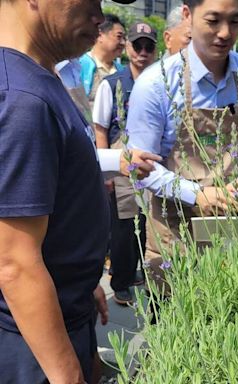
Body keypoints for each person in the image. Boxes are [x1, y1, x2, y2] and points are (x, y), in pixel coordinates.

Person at [0, 0, 156, 383]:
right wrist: (67, 373)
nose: (99, 16)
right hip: (30, 342)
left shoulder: (40, 75)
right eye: (88, 1)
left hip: (62, 311)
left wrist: (80, 285)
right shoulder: (22, 97)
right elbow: (14, 262)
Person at [126, 0, 238, 264]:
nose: (226, 32)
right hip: (174, 230)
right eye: (213, 20)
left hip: (231, 226)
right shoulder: (155, 83)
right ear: (188, 16)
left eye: (234, 21)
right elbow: (140, 166)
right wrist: (196, 194)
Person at [93, 22, 158, 305]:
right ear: (128, 47)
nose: (142, 52)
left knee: (146, 223)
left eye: (149, 46)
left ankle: (135, 273)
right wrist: (106, 169)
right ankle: (120, 281)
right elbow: (100, 128)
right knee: (123, 223)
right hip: (121, 157)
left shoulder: (159, 82)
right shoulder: (112, 84)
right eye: (137, 45)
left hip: (152, 161)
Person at [80, 13, 126, 107]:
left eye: (124, 38)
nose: (123, 42)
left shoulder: (122, 71)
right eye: (119, 37)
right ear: (100, 35)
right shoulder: (79, 65)